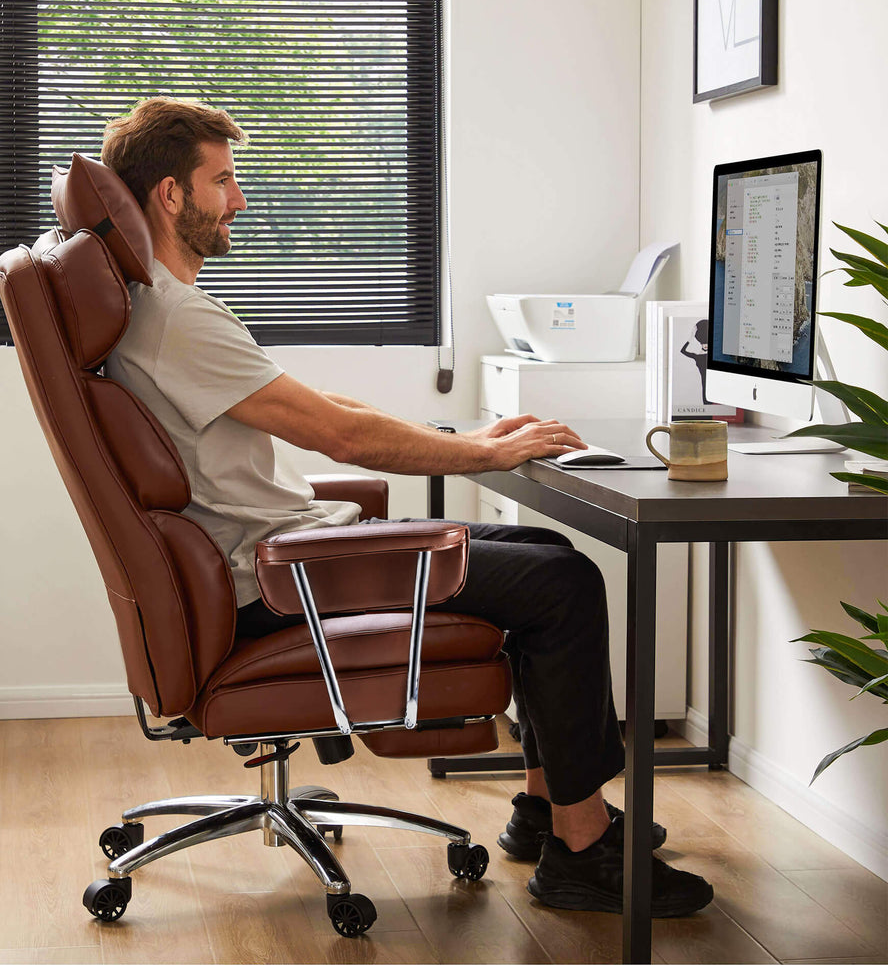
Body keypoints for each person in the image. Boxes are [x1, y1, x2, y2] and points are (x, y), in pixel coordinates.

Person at [101, 96, 713, 917]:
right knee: (563, 589)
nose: (239, 199)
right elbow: (338, 435)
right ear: (171, 194)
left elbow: (319, 405)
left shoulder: (157, 308)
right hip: (283, 577)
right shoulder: (175, 319)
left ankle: (549, 809)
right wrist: (484, 455)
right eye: (224, 181)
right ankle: (581, 849)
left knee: (552, 556)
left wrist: (461, 437)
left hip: (288, 554)